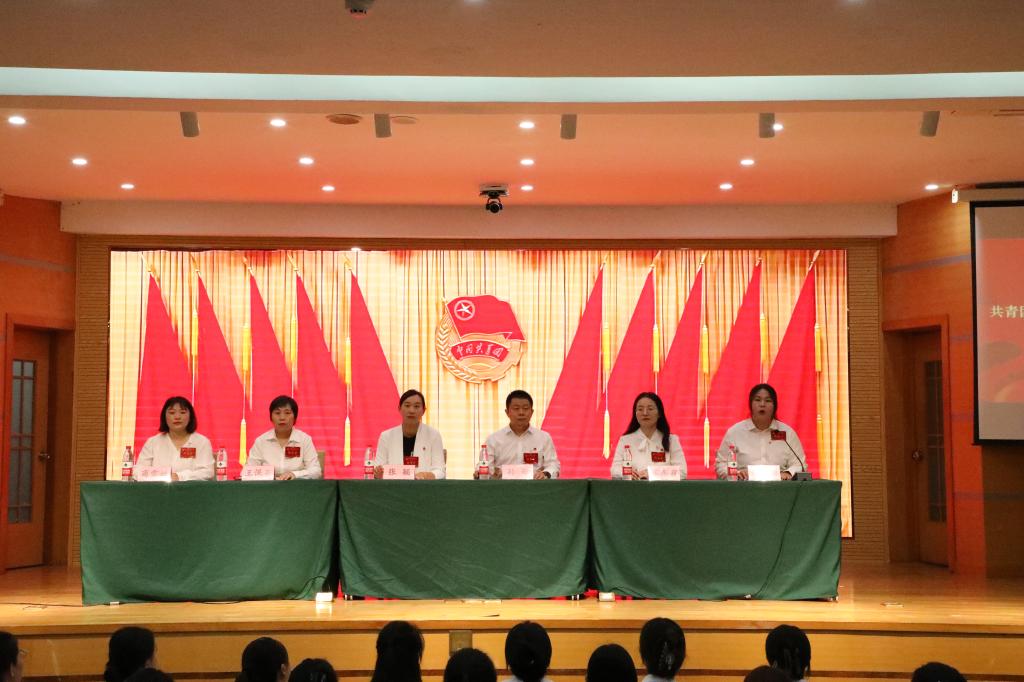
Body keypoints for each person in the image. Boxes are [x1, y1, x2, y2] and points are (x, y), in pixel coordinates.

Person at [715, 384, 807, 480]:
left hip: (779, 486)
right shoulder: (735, 432)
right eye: (757, 400)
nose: (762, 404)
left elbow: (800, 464)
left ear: (775, 406)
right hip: (743, 485)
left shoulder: (787, 433)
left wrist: (787, 473)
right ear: (750, 404)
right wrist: (736, 473)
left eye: (768, 400)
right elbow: (721, 464)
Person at [481, 390, 560, 479]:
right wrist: (489, 472)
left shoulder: (544, 438)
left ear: (532, 412)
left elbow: (553, 465)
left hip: (534, 486)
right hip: (502, 486)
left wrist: (545, 474)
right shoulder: (493, 439)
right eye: (516, 408)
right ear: (507, 412)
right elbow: (485, 467)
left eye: (525, 408)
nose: (521, 412)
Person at [134, 396, 214, 481]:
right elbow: (137, 472)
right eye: (172, 413)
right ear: (164, 417)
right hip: (158, 488)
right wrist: (161, 476)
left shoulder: (202, 442)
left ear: (190, 417)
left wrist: (180, 476)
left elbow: (208, 472)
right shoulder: (153, 442)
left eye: (182, 412)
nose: (177, 417)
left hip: (191, 489)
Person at [610, 393, 686, 480]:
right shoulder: (625, 440)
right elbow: (614, 470)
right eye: (640, 409)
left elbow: (682, 472)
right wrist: (627, 473)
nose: (645, 413)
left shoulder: (671, 440)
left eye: (650, 409)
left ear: (659, 413)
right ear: (635, 413)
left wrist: (652, 473)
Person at [374, 390, 445, 479]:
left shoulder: (433, 435)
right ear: (399, 408)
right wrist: (378, 473)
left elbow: (440, 470)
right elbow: (379, 467)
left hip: (423, 486)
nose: (411, 410)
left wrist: (428, 475)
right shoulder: (386, 436)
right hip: (394, 486)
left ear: (424, 410)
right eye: (407, 406)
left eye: (416, 406)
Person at [247, 396, 322, 480]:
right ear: (271, 417)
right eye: (277, 413)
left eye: (287, 413)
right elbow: (248, 471)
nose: (282, 418)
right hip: (268, 486)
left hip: (296, 485)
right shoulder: (261, 441)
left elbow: (316, 471)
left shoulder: (304, 440)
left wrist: (295, 474)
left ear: (295, 417)